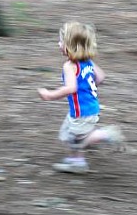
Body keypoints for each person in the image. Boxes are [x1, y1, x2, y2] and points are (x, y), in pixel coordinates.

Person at [38, 22, 125, 174]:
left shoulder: (70, 66)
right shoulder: (88, 62)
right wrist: (88, 88)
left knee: (79, 139)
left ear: (71, 46)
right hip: (89, 107)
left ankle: (106, 135)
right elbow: (101, 77)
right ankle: (77, 160)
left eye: (61, 41)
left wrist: (50, 95)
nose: (59, 44)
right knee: (70, 134)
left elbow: (71, 88)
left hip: (82, 111)